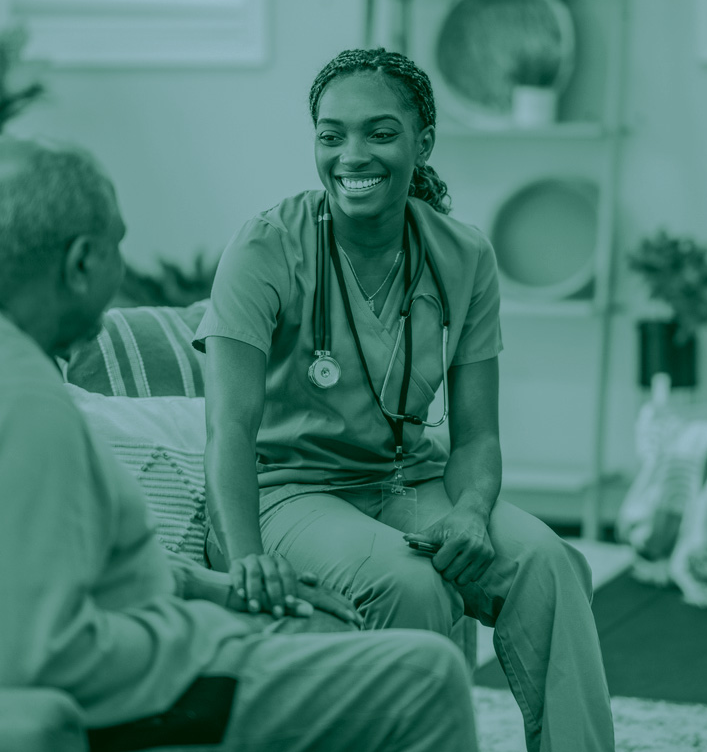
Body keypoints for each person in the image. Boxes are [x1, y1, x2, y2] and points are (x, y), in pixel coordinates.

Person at [0, 135, 479, 752]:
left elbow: (33, 568)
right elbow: (44, 660)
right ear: (82, 261)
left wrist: (211, 590)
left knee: (319, 626)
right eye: (119, 249)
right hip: (126, 702)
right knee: (427, 672)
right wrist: (209, 637)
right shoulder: (14, 399)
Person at [195, 47, 614, 752]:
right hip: (288, 492)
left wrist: (473, 513)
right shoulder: (265, 248)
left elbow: (478, 435)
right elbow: (227, 429)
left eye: (379, 133)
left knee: (549, 563)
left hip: (408, 479)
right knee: (411, 583)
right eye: (332, 135)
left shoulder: (464, 255)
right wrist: (244, 558)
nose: (351, 154)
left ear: (422, 142)